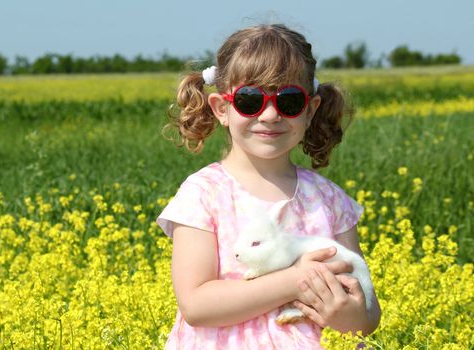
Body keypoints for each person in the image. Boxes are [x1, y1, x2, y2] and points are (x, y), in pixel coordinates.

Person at [156, 23, 381, 349]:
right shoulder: (203, 195)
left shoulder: (330, 201)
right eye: (250, 100)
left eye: (289, 101)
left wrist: (350, 316)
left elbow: (367, 312)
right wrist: (296, 280)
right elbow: (196, 304)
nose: (271, 114)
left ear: (310, 110)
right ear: (222, 109)